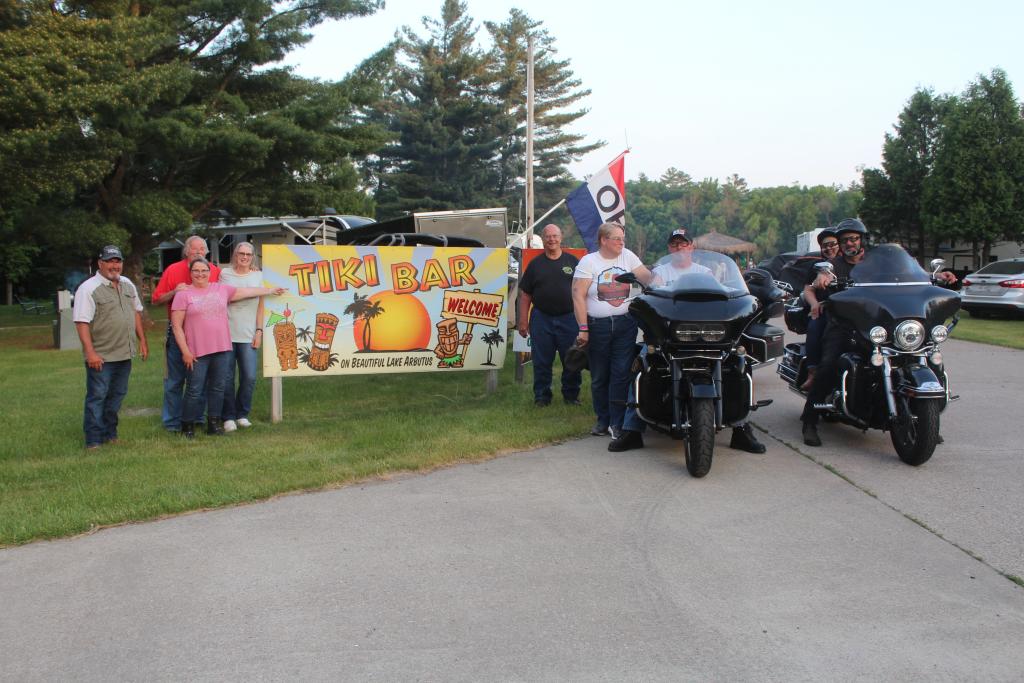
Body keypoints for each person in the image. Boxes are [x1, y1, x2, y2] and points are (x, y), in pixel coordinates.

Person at [800, 218, 956, 446]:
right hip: (846, 325)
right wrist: (822, 278)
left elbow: (910, 273)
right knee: (829, 364)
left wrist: (937, 276)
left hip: (880, 325)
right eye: (844, 240)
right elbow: (820, 278)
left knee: (926, 358)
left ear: (862, 240)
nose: (849, 243)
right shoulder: (834, 265)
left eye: (853, 239)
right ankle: (810, 421)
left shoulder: (878, 262)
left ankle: (925, 421)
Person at [608, 229, 766, 454]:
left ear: (691, 246)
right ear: (669, 248)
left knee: (740, 365)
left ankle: (742, 430)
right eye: (674, 244)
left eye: (683, 244)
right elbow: (651, 294)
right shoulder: (660, 272)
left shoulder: (705, 272)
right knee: (643, 363)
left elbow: (723, 295)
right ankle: (631, 430)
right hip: (671, 337)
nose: (679, 248)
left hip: (708, 337)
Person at [171, 258, 285, 438]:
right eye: (196, 271)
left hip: (222, 348)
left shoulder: (221, 289)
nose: (200, 274)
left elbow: (247, 291)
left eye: (204, 270)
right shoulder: (183, 294)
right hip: (196, 351)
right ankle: (187, 427)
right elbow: (177, 326)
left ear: (210, 273)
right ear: (190, 273)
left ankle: (214, 424)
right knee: (194, 389)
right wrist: (185, 351)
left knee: (218, 387)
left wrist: (270, 290)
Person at [572, 222, 652, 438]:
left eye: (622, 238)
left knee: (621, 373)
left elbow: (648, 278)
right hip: (598, 326)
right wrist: (583, 328)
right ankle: (602, 419)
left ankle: (617, 422)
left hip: (626, 324)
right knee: (599, 375)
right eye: (616, 238)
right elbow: (578, 294)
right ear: (603, 240)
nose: (621, 242)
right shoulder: (589, 262)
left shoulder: (628, 256)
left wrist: (668, 279)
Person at [73, 246, 149, 449]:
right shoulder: (88, 288)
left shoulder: (127, 284)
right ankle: (93, 440)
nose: (114, 265)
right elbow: (81, 322)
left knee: (116, 397)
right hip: (102, 356)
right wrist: (90, 353)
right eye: (110, 261)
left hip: (124, 353)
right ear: (100, 263)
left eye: (118, 261)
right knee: (97, 397)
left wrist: (142, 341)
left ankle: (110, 434)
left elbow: (136, 313)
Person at [152, 236, 221, 432]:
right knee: (175, 380)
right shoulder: (173, 270)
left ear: (207, 252)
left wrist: (253, 270)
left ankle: (196, 418)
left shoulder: (214, 271)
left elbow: (230, 288)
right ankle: (172, 422)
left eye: (202, 249)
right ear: (186, 251)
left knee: (201, 379)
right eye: (194, 249)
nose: (198, 252)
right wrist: (174, 292)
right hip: (178, 331)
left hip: (204, 334)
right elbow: (156, 300)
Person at [517, 224, 582, 407]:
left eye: (555, 236)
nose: (551, 239)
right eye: (548, 236)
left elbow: (583, 292)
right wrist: (523, 321)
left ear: (561, 238)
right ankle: (542, 397)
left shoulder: (573, 262)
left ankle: (571, 396)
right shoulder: (535, 265)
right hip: (541, 318)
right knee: (541, 361)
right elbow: (525, 295)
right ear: (543, 239)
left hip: (569, 318)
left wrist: (585, 321)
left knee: (571, 359)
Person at [219, 242, 265, 431]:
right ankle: (228, 416)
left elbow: (261, 305)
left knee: (249, 377)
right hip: (226, 333)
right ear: (235, 255)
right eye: (241, 253)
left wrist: (259, 330)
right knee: (226, 377)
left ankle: (242, 413)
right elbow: (226, 297)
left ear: (252, 257)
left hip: (248, 334)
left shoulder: (258, 276)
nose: (244, 257)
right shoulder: (225, 274)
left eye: (248, 254)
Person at [799, 228, 841, 391]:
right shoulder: (818, 267)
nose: (829, 248)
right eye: (825, 246)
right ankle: (813, 372)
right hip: (826, 309)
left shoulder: (853, 263)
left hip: (853, 310)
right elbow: (808, 290)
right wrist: (815, 304)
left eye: (832, 244)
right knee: (815, 325)